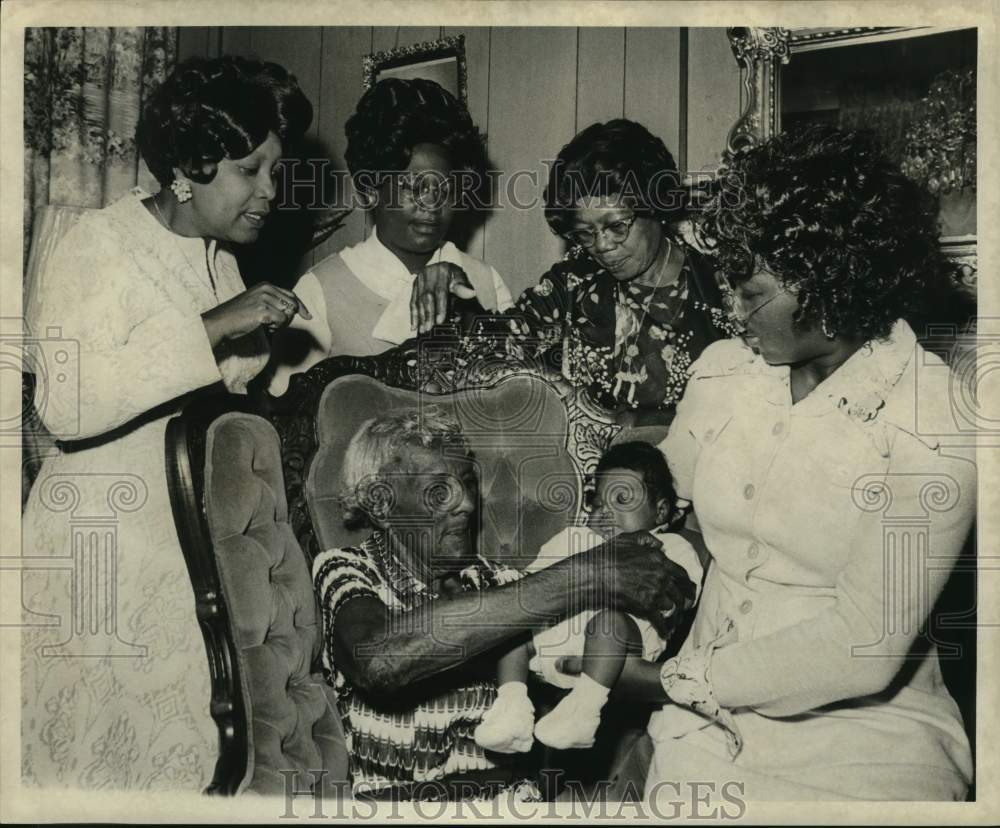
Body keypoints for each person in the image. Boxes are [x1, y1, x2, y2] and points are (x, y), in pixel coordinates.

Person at [560, 126, 977, 803]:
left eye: (750, 294)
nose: (729, 310)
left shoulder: (934, 419)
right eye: (728, 283)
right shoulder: (726, 373)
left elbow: (863, 646)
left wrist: (664, 681)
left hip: (870, 738)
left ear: (831, 286)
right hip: (703, 729)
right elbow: (666, 524)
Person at [21, 55, 313, 790]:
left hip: (188, 544)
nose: (268, 193)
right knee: (101, 759)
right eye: (251, 171)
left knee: (195, 756)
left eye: (273, 173)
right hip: (103, 545)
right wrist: (215, 327)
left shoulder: (218, 261)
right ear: (191, 167)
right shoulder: (97, 242)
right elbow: (65, 404)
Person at [312, 408, 696, 801]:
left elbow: (602, 666)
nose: (465, 504)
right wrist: (588, 574)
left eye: (466, 484)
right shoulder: (348, 571)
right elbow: (378, 659)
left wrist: (703, 677)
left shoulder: (498, 582)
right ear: (381, 502)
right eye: (440, 490)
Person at [268, 78, 513, 394]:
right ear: (370, 191)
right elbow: (286, 418)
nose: (431, 205)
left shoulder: (485, 282)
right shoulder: (320, 290)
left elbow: (514, 391)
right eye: (413, 188)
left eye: (445, 190)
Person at [504, 119, 737, 431]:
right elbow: (494, 341)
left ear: (656, 207)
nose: (601, 246)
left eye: (616, 226)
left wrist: (652, 422)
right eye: (585, 233)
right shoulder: (574, 281)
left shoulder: (721, 285)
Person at [472, 442, 704, 754]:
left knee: (608, 623)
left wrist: (635, 547)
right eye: (599, 503)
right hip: (552, 646)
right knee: (513, 626)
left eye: (621, 500)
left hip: (618, 655)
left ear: (660, 511)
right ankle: (512, 707)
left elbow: (683, 599)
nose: (606, 512)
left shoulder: (671, 546)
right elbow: (532, 585)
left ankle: (583, 711)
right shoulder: (574, 538)